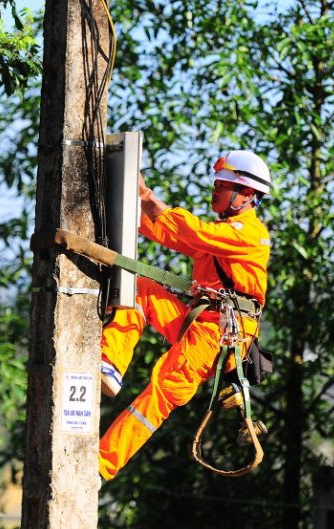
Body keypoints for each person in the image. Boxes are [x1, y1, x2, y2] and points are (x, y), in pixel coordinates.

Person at [98, 150, 272, 482]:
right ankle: (111, 363)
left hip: (220, 336)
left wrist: (147, 197)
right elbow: (173, 234)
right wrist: (126, 206)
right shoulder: (224, 235)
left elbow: (193, 233)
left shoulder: (250, 234)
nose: (215, 189)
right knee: (137, 286)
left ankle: (101, 465)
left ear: (247, 194)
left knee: (163, 389)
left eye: (224, 184)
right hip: (202, 324)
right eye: (217, 182)